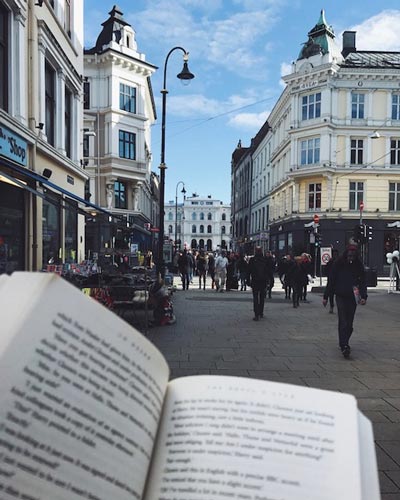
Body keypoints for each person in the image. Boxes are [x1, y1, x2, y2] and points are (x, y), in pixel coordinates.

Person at [322, 244, 367, 358]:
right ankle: (344, 345)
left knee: (349, 323)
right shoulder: (338, 264)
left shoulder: (358, 265)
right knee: (343, 321)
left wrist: (363, 296)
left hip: (353, 296)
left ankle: (344, 341)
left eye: (353, 256)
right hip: (341, 295)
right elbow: (331, 280)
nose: (351, 258)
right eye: (349, 256)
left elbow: (362, 281)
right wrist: (326, 296)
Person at [247, 246, 269, 321]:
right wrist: (267, 281)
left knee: (255, 298)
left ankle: (256, 314)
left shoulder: (252, 260)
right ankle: (261, 312)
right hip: (263, 281)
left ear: (255, 251)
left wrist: (248, 280)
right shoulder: (265, 260)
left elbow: (248, 271)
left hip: (255, 281)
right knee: (262, 297)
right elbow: (268, 272)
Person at [325, 248, 339, 313]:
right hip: (335, 280)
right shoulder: (338, 261)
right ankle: (333, 307)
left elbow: (326, 269)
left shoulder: (332, 261)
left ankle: (332, 307)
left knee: (331, 294)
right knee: (334, 295)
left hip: (333, 280)